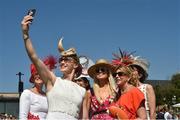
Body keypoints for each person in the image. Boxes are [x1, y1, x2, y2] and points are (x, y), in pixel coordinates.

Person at [21, 13, 86, 119]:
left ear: (75, 64)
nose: (62, 62)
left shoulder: (83, 92)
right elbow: (34, 57)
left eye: (66, 59)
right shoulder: (53, 80)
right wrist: (25, 34)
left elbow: (84, 118)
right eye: (61, 59)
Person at [19, 55, 57, 120]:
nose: (38, 76)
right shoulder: (27, 93)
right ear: (33, 78)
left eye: (40, 74)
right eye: (36, 74)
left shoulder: (47, 96)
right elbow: (22, 117)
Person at [128, 54, 156, 120]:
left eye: (133, 70)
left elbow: (153, 111)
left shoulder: (147, 87)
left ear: (140, 75)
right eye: (129, 70)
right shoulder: (126, 89)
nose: (130, 72)